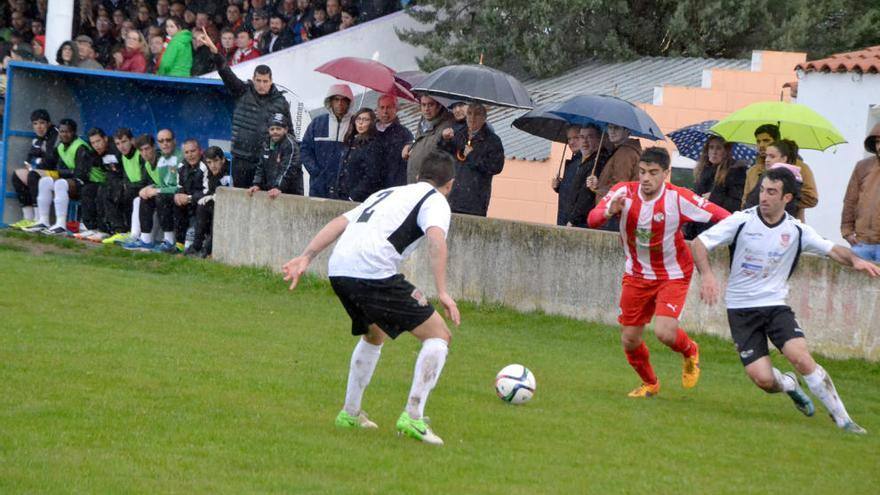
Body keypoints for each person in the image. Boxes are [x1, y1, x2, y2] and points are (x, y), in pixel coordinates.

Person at [281, 150, 460, 445]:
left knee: (374, 334)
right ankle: (413, 417)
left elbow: (340, 222)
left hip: (339, 269)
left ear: (416, 177)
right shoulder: (436, 200)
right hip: (372, 270)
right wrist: (442, 292)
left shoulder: (389, 192)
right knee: (439, 335)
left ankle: (350, 413)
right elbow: (437, 240)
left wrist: (306, 256)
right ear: (450, 184)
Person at [692, 167, 877, 434]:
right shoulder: (741, 221)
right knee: (764, 380)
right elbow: (699, 243)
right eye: (763, 190)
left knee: (800, 357)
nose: (764, 197)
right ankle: (789, 384)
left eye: (772, 192)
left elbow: (833, 250)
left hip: (775, 306)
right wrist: (707, 275)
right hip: (741, 309)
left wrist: (856, 260)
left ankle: (843, 419)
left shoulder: (797, 230)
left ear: (787, 198)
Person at [587, 147, 730, 398]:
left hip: (673, 274)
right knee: (629, 339)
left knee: (664, 332)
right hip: (636, 274)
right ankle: (650, 383)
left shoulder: (678, 198)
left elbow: (723, 216)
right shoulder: (624, 192)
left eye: (653, 173)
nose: (646, 178)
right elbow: (593, 219)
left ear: (666, 173)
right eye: (642, 172)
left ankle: (690, 350)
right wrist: (610, 211)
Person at [199, 27, 291, 188]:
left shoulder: (280, 102)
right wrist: (214, 51)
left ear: (271, 81)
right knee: (240, 200)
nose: (261, 85)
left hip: (265, 161)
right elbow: (226, 73)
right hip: (241, 158)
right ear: (253, 79)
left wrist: (284, 159)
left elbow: (289, 135)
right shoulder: (242, 91)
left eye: (265, 81)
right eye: (258, 80)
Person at [25, 119, 96, 235]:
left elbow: (81, 174)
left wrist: (60, 173)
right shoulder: (61, 147)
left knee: (60, 183)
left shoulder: (81, 147)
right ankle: (43, 221)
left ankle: (61, 224)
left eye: (68, 132)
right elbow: (56, 166)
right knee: (45, 181)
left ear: (74, 132)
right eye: (62, 131)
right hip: (72, 180)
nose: (64, 134)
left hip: (87, 182)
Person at [124, 129, 183, 253]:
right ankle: (145, 239)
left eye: (147, 149)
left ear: (153, 147)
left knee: (159, 197)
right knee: (142, 198)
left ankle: (169, 240)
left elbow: (173, 185)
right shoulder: (149, 164)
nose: (145, 153)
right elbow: (159, 183)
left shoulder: (172, 158)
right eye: (141, 150)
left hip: (179, 194)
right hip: (167, 192)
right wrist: (147, 189)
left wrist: (155, 190)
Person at [440, 103, 505, 216]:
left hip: (475, 201)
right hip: (452, 198)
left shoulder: (492, 141)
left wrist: (472, 155)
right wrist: (444, 140)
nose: (472, 118)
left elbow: (496, 167)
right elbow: (444, 154)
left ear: (484, 118)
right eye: (469, 113)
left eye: (477, 114)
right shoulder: (459, 134)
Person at [684, 136, 748, 239]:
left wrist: (713, 197)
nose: (714, 151)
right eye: (711, 147)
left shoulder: (736, 172)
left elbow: (736, 204)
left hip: (719, 230)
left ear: (726, 151)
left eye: (719, 148)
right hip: (697, 229)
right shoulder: (703, 171)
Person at [743, 139, 817, 220]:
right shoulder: (794, 177)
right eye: (766, 156)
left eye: (772, 156)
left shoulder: (769, 177)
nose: (767, 159)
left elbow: (752, 202)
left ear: (784, 158)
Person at [301, 84, 354, 197]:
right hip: (319, 186)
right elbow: (305, 150)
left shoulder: (355, 124)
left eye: (344, 100)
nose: (340, 103)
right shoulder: (317, 123)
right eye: (336, 99)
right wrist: (316, 172)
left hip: (345, 187)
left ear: (349, 103)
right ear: (330, 101)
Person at [10, 109, 59, 230]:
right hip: (43, 172)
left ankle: (39, 219)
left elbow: (50, 160)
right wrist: (35, 164)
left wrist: (36, 164)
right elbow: (28, 159)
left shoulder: (56, 134)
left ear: (49, 123)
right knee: (17, 175)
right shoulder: (38, 139)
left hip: (59, 173)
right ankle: (28, 218)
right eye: (35, 124)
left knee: (33, 174)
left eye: (42, 123)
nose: (39, 127)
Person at [587, 124, 642, 229]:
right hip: (617, 212)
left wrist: (597, 189)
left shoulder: (625, 152)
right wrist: (598, 184)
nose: (611, 131)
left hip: (614, 213)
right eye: (610, 127)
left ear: (627, 131)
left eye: (616, 128)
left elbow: (619, 188)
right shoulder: (623, 150)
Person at [841, 124, 880, 261]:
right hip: (861, 243)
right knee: (852, 282)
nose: (879, 146)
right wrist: (847, 232)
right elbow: (850, 200)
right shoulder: (863, 166)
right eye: (877, 142)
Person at [101, 128, 146, 245]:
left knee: (127, 194)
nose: (121, 146)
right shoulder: (122, 156)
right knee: (108, 192)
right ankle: (119, 230)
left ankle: (132, 232)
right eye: (118, 143)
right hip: (133, 188)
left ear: (132, 141)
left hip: (144, 188)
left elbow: (146, 179)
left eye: (124, 142)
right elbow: (126, 176)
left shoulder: (140, 154)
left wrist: (128, 186)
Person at [188, 146, 232, 257]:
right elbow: (204, 190)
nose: (213, 165)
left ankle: (208, 249)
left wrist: (215, 196)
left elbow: (233, 192)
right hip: (216, 202)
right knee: (202, 205)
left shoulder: (231, 170)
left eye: (216, 161)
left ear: (222, 160)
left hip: (232, 206)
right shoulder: (206, 170)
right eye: (209, 162)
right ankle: (196, 246)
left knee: (216, 210)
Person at [73, 127, 116, 240]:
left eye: (98, 141)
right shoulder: (95, 153)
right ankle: (92, 228)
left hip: (120, 183)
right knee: (87, 189)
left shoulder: (115, 149)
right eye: (93, 143)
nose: (96, 145)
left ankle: (105, 229)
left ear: (105, 139)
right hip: (107, 182)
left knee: (103, 191)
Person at [248, 113, 303, 198]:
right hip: (272, 192)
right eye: (272, 129)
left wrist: (278, 187)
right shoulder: (266, 143)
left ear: (286, 129)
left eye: (278, 128)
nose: (275, 132)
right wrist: (257, 184)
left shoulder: (290, 144)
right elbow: (261, 167)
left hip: (291, 193)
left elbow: (289, 169)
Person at [335, 108, 384, 201]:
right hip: (342, 193)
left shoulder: (373, 145)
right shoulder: (351, 141)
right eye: (358, 119)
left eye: (365, 120)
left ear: (372, 123)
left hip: (359, 198)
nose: (361, 123)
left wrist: (354, 196)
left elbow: (372, 175)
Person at [404, 95, 455, 184]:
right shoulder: (423, 122)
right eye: (423, 105)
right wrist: (410, 146)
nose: (426, 109)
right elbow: (421, 141)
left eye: (430, 105)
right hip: (414, 181)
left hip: (431, 183)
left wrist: (444, 138)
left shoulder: (448, 125)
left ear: (439, 106)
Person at [567, 124, 610, 228]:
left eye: (590, 137)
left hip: (584, 222)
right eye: (582, 137)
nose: (585, 141)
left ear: (599, 140)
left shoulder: (598, 162)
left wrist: (573, 220)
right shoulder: (586, 159)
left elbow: (587, 195)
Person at [375, 94, 413, 188]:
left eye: (389, 107)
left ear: (396, 109)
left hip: (393, 184)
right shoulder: (370, 130)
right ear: (377, 110)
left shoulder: (404, 133)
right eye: (382, 107)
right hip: (372, 184)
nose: (385, 111)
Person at [552, 125, 582, 226]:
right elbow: (571, 189)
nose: (571, 142)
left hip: (572, 223)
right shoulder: (575, 160)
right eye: (569, 138)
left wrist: (572, 220)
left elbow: (581, 196)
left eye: (576, 138)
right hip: (565, 219)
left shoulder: (584, 162)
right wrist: (559, 187)